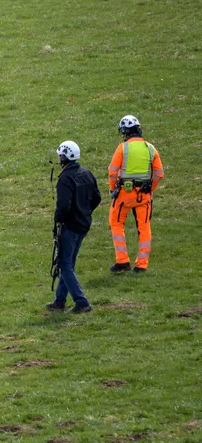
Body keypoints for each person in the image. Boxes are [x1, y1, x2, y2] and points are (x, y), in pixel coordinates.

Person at [46, 141, 101, 313]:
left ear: (64, 156)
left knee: (64, 263)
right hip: (83, 224)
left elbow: (63, 205)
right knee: (68, 262)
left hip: (70, 225)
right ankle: (60, 300)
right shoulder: (86, 173)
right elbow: (97, 197)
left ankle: (81, 301)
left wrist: (58, 219)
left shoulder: (65, 178)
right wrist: (85, 211)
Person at [107, 115, 164, 273]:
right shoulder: (150, 149)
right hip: (144, 197)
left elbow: (112, 171)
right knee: (144, 228)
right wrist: (150, 189)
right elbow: (159, 174)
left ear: (125, 132)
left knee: (116, 224)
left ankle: (123, 261)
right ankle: (142, 264)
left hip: (124, 196)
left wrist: (113, 189)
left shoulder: (123, 148)